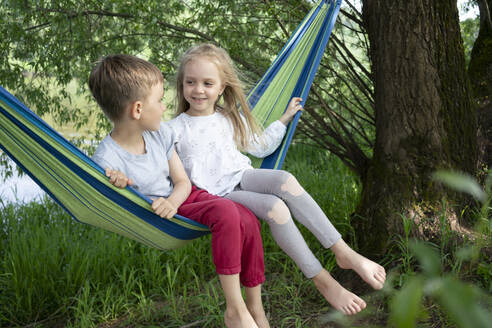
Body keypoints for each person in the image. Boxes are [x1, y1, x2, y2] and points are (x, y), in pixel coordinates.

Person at [166, 43, 387, 316]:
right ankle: (324, 282)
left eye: (207, 83)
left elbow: (259, 146)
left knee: (285, 179)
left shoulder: (228, 117)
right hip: (219, 195)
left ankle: (343, 252)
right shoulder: (172, 129)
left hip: (242, 175)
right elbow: (155, 163)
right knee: (276, 208)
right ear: (182, 84)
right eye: (191, 82)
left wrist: (283, 120)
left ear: (222, 87)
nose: (198, 90)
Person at [88, 54, 270, 328]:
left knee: (247, 218)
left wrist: (173, 201)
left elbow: (182, 181)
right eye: (159, 101)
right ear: (137, 109)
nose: (164, 109)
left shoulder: (160, 134)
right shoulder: (106, 160)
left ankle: (255, 307)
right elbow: (105, 198)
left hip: (182, 198)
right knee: (227, 212)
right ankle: (234, 308)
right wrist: (117, 183)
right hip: (157, 212)